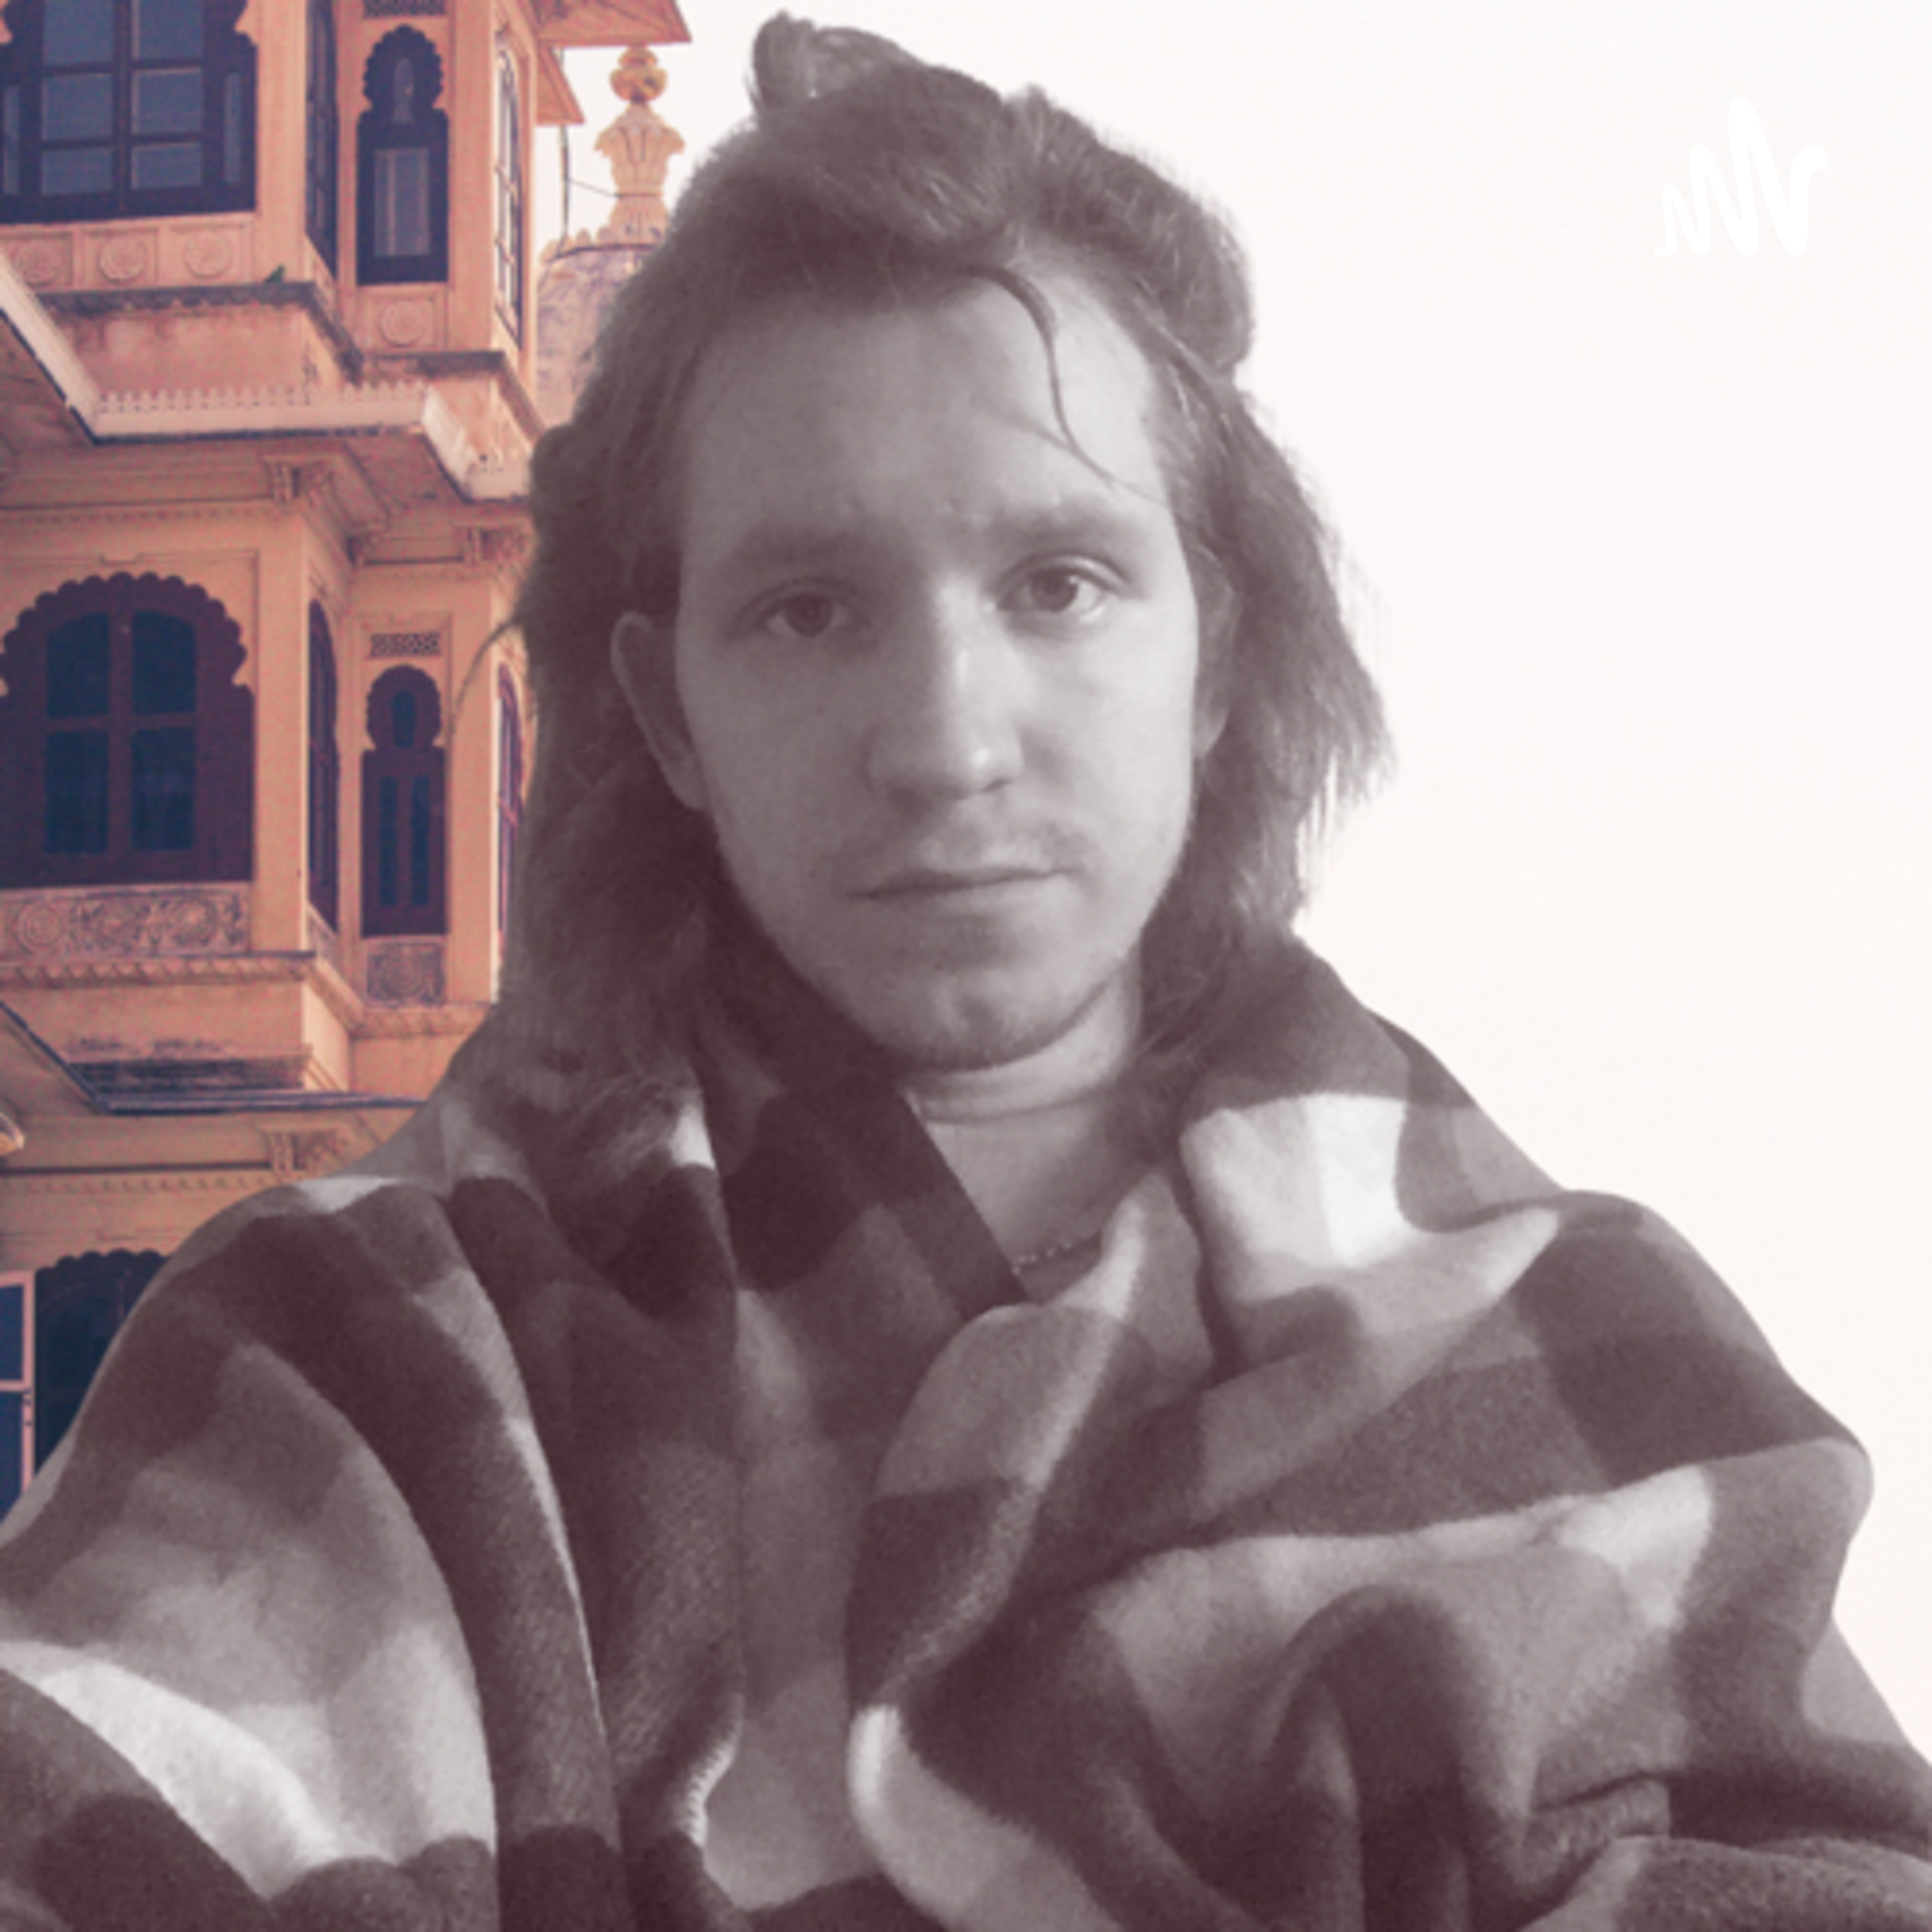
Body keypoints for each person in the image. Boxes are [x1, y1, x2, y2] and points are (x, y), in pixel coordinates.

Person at [3, 16, 1928, 1929]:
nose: (944, 741)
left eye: (1060, 585)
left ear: (1215, 654)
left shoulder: (1550, 1314)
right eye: (809, 610)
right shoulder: (378, 1342)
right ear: (669, 717)